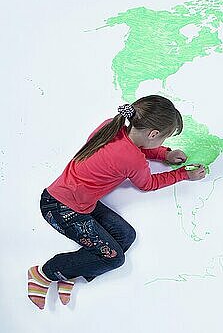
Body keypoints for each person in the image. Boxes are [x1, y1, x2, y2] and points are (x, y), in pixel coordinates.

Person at [28, 95, 206, 309]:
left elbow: (136, 147)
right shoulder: (133, 160)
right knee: (114, 260)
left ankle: (69, 272)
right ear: (153, 134)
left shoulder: (111, 127)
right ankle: (44, 273)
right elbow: (147, 184)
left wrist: (164, 155)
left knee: (126, 236)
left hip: (79, 202)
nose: (163, 144)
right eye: (164, 140)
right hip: (60, 208)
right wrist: (184, 175)